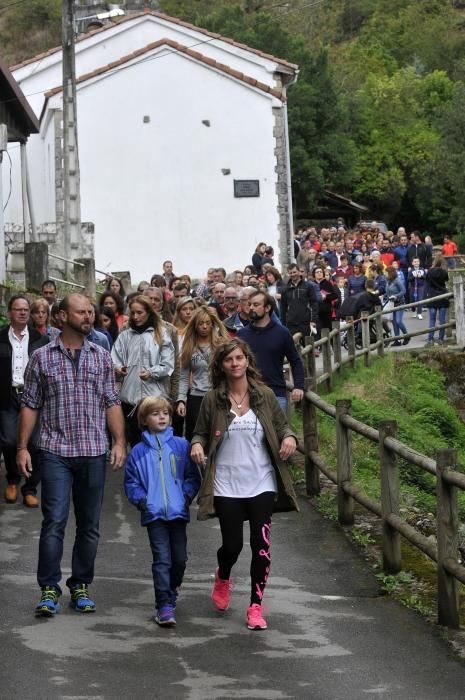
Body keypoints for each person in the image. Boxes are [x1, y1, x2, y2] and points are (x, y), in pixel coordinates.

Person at [16, 293, 126, 616]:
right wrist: (22, 447)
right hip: (55, 452)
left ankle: (80, 584)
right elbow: (31, 405)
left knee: (90, 525)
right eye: (81, 312)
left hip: (93, 451)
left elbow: (112, 402)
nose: (88, 316)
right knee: (55, 521)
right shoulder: (42, 358)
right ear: (61, 316)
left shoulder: (101, 357)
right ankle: (49, 587)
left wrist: (119, 441)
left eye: (90, 312)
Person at [190, 338, 299, 631]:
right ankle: (223, 575)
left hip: (261, 481)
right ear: (221, 366)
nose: (235, 364)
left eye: (239, 358)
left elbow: (283, 427)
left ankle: (255, 606)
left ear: (247, 361)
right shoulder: (213, 399)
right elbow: (199, 433)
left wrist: (290, 438)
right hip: (226, 483)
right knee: (233, 545)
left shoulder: (263, 395)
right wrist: (197, 446)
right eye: (229, 360)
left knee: (261, 546)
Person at [124, 397, 200, 627]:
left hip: (178, 512)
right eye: (155, 413)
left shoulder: (181, 445)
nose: (162, 417)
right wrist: (142, 501)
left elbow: (191, 476)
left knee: (180, 559)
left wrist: (186, 496)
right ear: (144, 420)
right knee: (162, 560)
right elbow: (131, 482)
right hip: (154, 514)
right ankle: (164, 606)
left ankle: (171, 590)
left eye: (165, 413)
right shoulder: (137, 452)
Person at [0, 295, 49, 507]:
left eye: (25, 309)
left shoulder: (41, 339)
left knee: (35, 443)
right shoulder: (1, 338)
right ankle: (12, 479)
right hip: (7, 395)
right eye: (17, 309)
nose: (22, 312)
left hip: (33, 394)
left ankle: (30, 488)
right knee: (9, 441)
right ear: (9, 313)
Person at [111, 295, 175, 447]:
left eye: (139, 312)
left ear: (148, 312)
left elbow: (168, 364)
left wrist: (152, 372)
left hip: (154, 400)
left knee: (157, 444)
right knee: (136, 445)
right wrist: (118, 368)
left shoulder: (161, 334)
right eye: (132, 313)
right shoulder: (124, 336)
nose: (135, 316)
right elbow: (113, 358)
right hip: (130, 400)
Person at [238, 291, 304, 412]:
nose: (251, 308)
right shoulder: (242, 334)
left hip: (275, 394)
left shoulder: (282, 333)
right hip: (247, 395)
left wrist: (299, 386)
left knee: (276, 431)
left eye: (256, 304)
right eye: (250, 304)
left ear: (267, 308)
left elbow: (295, 361)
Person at [176, 307, 228, 442]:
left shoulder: (221, 345)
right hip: (196, 397)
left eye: (207, 323)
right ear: (195, 325)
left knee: (219, 436)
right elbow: (183, 376)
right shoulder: (189, 347)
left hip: (218, 395)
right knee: (195, 436)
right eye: (200, 323)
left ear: (212, 324)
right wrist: (181, 400)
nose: (204, 327)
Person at [280, 263, 318, 342]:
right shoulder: (285, 289)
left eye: (294, 272)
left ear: (299, 272)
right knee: (294, 348)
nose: (293, 274)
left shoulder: (308, 286)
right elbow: (283, 308)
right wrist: (283, 324)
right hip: (291, 324)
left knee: (308, 348)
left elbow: (314, 304)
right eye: (290, 273)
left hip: (306, 323)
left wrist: (313, 320)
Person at [424, 256, 449, 346]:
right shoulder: (444, 272)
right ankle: (440, 339)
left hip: (432, 297)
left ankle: (430, 339)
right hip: (442, 296)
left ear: (434, 262)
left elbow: (427, 281)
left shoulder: (430, 271)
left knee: (432, 319)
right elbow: (446, 281)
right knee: (442, 320)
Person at [385, 266, 409, 346]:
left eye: (386, 272)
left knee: (398, 321)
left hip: (399, 302)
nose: (385, 274)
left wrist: (396, 296)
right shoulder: (388, 281)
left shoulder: (397, 281)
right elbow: (388, 291)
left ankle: (407, 336)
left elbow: (404, 291)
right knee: (394, 322)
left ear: (390, 273)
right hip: (392, 303)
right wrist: (384, 296)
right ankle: (397, 340)